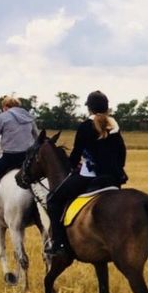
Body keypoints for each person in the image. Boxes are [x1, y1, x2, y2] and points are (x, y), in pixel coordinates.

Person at [44, 91, 127, 257]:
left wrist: (71, 168)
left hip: (90, 177)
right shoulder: (115, 127)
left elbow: (76, 155)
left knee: (53, 200)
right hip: (113, 179)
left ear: (89, 108)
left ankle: (59, 243)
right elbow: (122, 153)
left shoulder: (84, 126)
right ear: (106, 107)